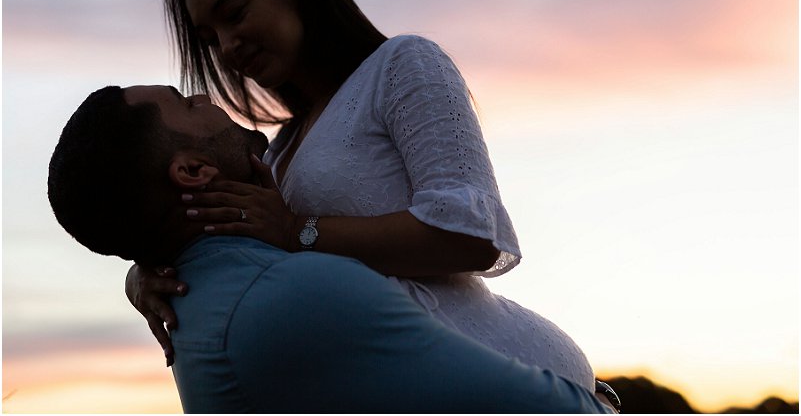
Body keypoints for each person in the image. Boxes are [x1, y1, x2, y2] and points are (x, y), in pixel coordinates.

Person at [128, 0, 614, 402]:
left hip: (522, 376)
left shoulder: (403, 64)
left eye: (234, 13)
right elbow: (227, 239)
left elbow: (471, 234)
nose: (228, 47)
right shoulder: (278, 150)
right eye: (211, 39)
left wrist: (296, 231)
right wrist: (145, 275)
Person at [47, 84, 615, 413]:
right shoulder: (293, 295)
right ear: (193, 171)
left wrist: (141, 263)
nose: (203, 93)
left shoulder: (209, 297)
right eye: (183, 102)